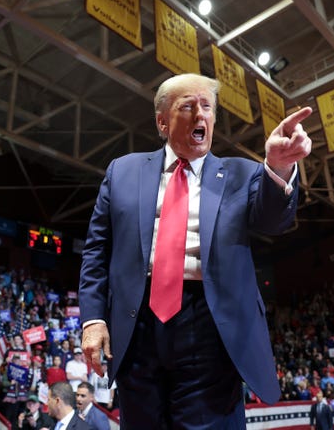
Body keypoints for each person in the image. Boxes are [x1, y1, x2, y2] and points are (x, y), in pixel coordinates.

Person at [79, 73, 312, 428]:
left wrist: (279, 167)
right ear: (162, 121)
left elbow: (272, 221)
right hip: (136, 324)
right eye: (188, 106)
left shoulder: (242, 174)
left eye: (207, 107)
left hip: (209, 326)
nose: (200, 114)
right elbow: (97, 249)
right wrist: (93, 319)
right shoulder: (122, 171)